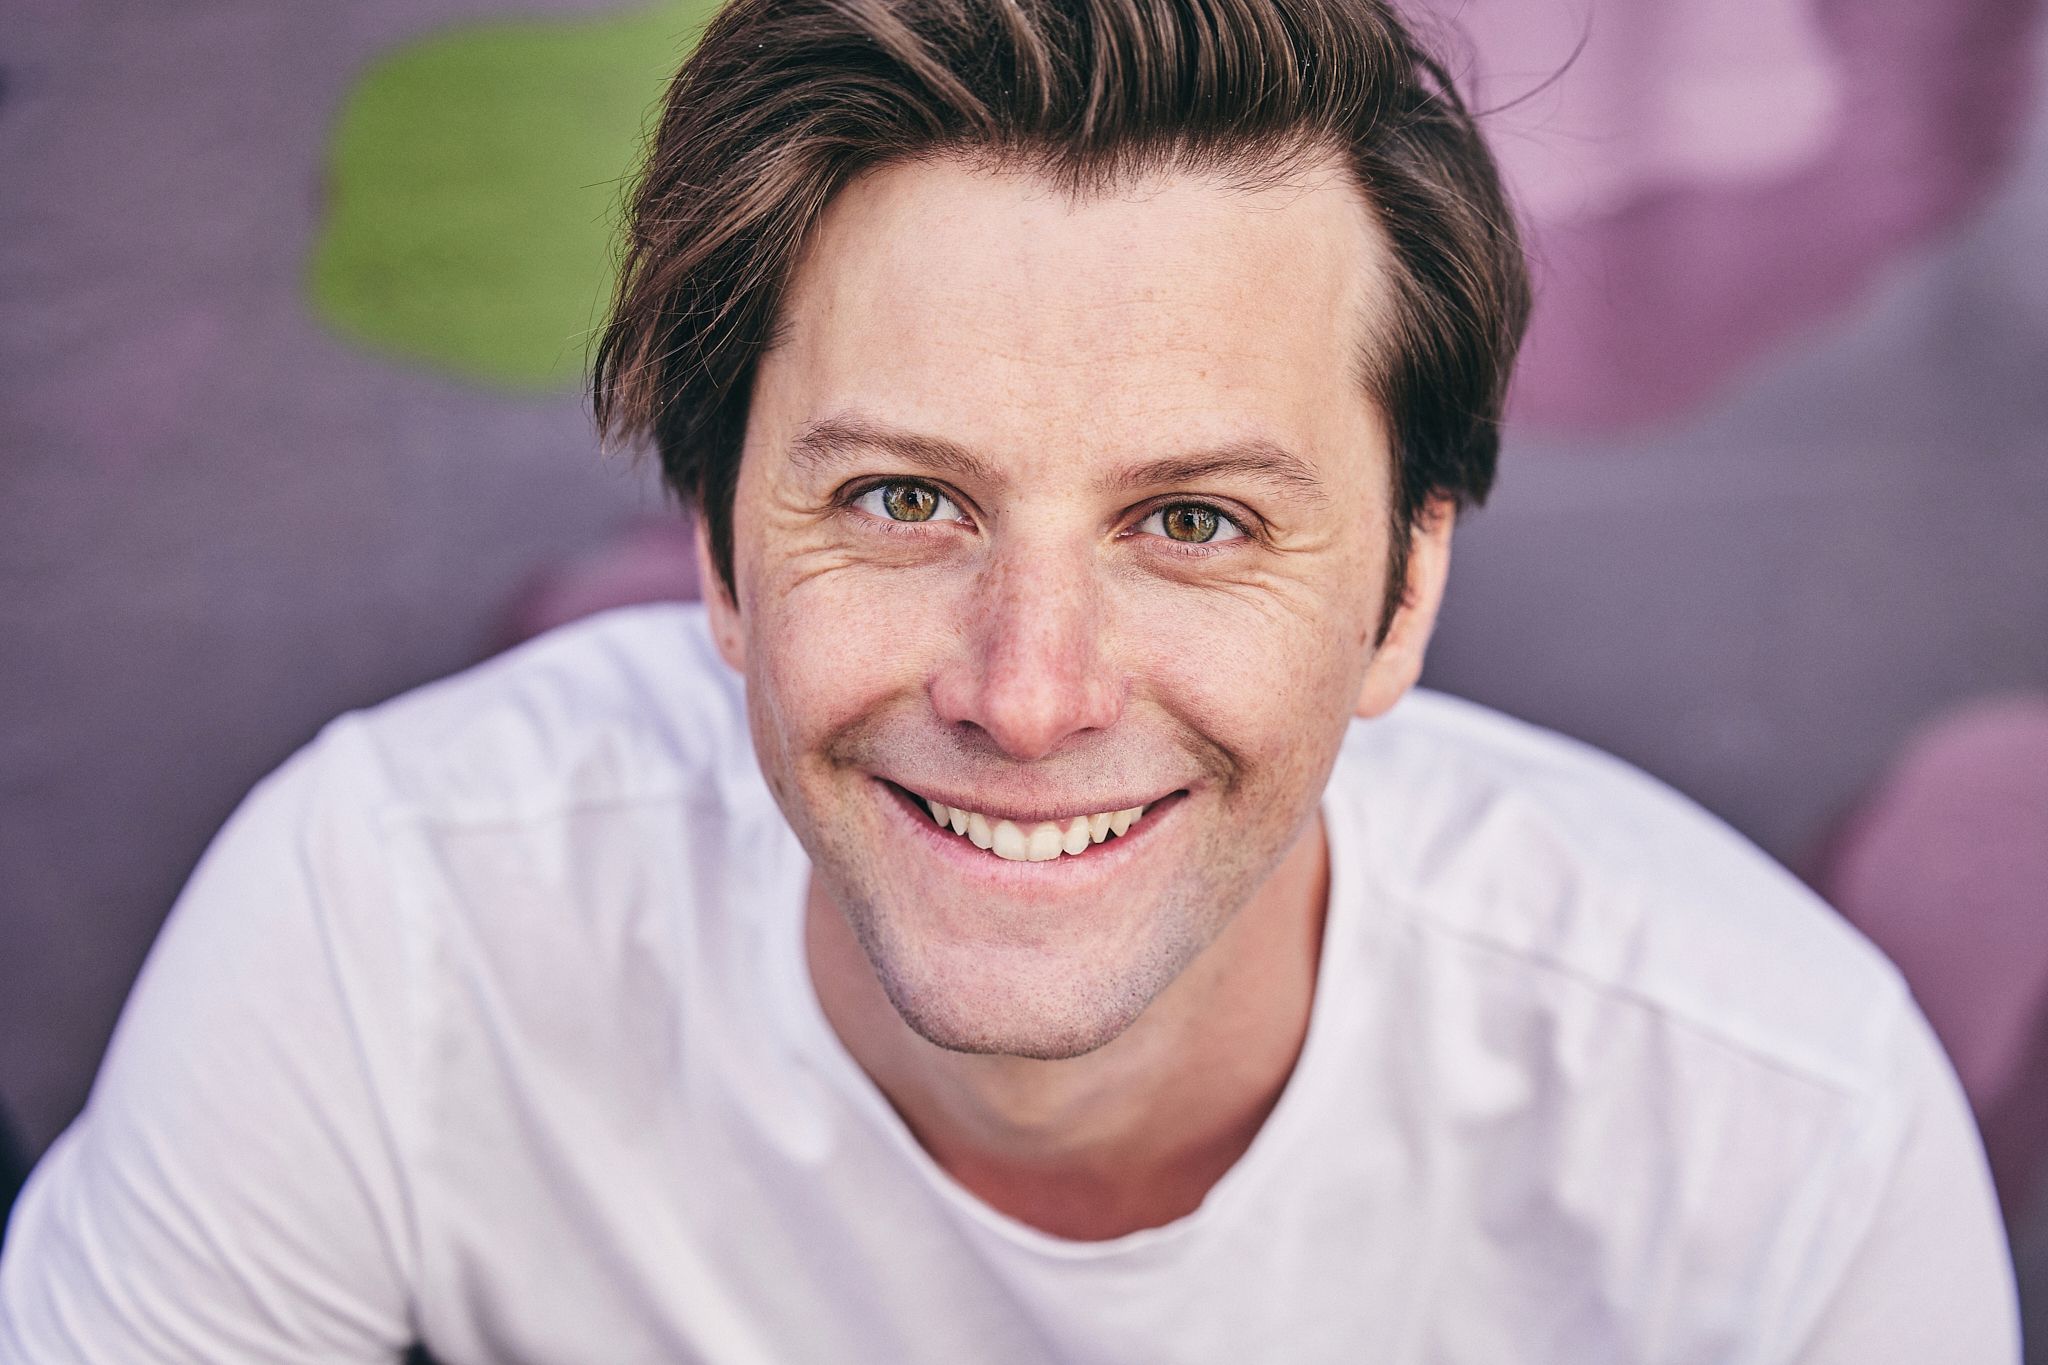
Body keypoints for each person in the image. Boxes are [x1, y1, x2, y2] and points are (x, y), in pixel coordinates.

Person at [0, 0, 2020, 1359]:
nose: (1028, 691)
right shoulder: (390, 925)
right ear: (718, 551)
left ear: (1403, 593)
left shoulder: (1778, 1139)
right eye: (902, 499)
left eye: (1196, 520)